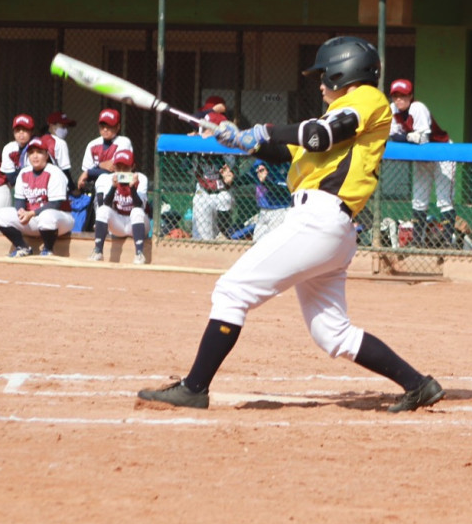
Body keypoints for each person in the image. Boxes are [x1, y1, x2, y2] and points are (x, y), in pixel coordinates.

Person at [136, 36, 445, 413]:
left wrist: (263, 130)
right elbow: (288, 149)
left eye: (324, 76)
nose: (319, 84)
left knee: (232, 292)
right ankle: (419, 385)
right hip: (328, 226)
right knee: (332, 333)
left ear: (343, 72)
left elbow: (317, 136)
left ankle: (194, 387)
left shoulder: (365, 99)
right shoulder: (340, 114)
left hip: (320, 220)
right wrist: (241, 140)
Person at [388, 78, 458, 247]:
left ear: (410, 96)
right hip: (422, 157)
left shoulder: (417, 108)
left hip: (442, 153)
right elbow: (394, 136)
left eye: (403, 96)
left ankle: (448, 242)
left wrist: (407, 138)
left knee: (444, 200)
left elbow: (422, 139)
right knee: (419, 199)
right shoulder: (393, 110)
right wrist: (408, 138)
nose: (399, 100)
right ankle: (418, 242)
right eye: (395, 96)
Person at [0, 135, 74, 257]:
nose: (35, 156)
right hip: (33, 219)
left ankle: (48, 249)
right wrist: (21, 212)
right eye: (31, 153)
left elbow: (55, 204)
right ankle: (22, 247)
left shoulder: (54, 172)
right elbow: (19, 199)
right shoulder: (24, 173)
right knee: (0, 215)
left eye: (39, 152)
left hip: (60, 220)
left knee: (47, 216)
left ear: (46, 155)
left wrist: (31, 214)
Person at [88, 148, 149, 264]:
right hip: (119, 224)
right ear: (113, 167)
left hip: (137, 224)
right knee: (102, 210)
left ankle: (139, 254)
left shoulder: (141, 178)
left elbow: (140, 206)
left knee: (136, 212)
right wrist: (113, 187)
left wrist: (132, 187)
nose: (121, 171)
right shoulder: (108, 179)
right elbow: (106, 205)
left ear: (133, 167)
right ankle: (97, 251)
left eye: (125, 168)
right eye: (118, 167)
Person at [190, 110, 236, 240]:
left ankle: (223, 233)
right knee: (202, 237)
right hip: (203, 191)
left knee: (225, 199)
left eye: (207, 129)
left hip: (222, 191)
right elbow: (184, 167)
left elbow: (233, 171)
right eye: (203, 129)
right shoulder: (196, 144)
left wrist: (231, 176)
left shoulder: (228, 147)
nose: (203, 132)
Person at [76, 108, 132, 193]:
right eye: (102, 126)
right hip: (96, 188)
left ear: (118, 127)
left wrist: (91, 171)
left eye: (109, 126)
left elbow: (114, 170)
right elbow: (86, 173)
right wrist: (99, 166)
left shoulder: (123, 142)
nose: (105, 129)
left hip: (122, 185)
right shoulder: (92, 144)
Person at [251, 159, 291, 241]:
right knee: (256, 240)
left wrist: (266, 181)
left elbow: (284, 191)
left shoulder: (286, 164)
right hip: (263, 210)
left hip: (280, 210)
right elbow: (249, 175)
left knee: (274, 241)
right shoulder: (260, 162)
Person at [0, 114, 36, 190]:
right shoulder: (9, 148)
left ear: (32, 132)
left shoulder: (37, 147)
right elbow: (11, 178)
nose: (21, 133)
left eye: (25, 129)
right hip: (17, 186)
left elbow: (36, 175)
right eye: (18, 130)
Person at [43, 110, 76, 186]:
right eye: (63, 126)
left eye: (67, 127)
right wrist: (73, 189)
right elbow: (65, 170)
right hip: (55, 184)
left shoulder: (38, 140)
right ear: (51, 125)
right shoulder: (60, 143)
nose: (66, 130)